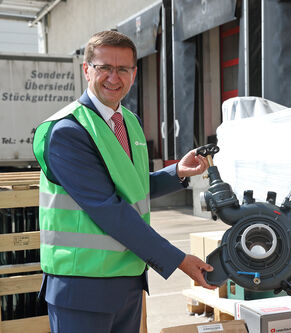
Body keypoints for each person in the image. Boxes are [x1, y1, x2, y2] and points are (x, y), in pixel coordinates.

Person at [32, 30, 215, 333]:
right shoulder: (67, 131)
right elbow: (108, 208)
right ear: (86, 69)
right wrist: (179, 259)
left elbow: (131, 189)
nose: (113, 78)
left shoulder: (129, 122)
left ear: (134, 73)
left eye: (123, 69)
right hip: (82, 289)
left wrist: (177, 173)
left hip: (127, 283)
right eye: (104, 67)